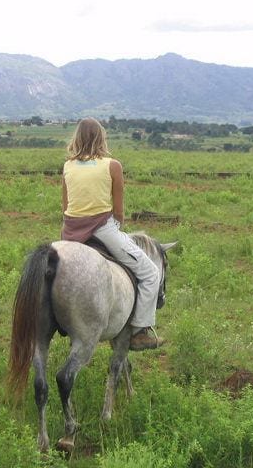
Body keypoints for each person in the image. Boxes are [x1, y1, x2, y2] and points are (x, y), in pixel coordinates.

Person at [61, 117, 164, 351]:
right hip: (102, 228)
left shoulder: (67, 166)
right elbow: (118, 211)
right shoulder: (112, 166)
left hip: (70, 232)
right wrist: (117, 224)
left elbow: (65, 205)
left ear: (76, 138)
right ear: (101, 137)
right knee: (149, 273)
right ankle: (139, 330)